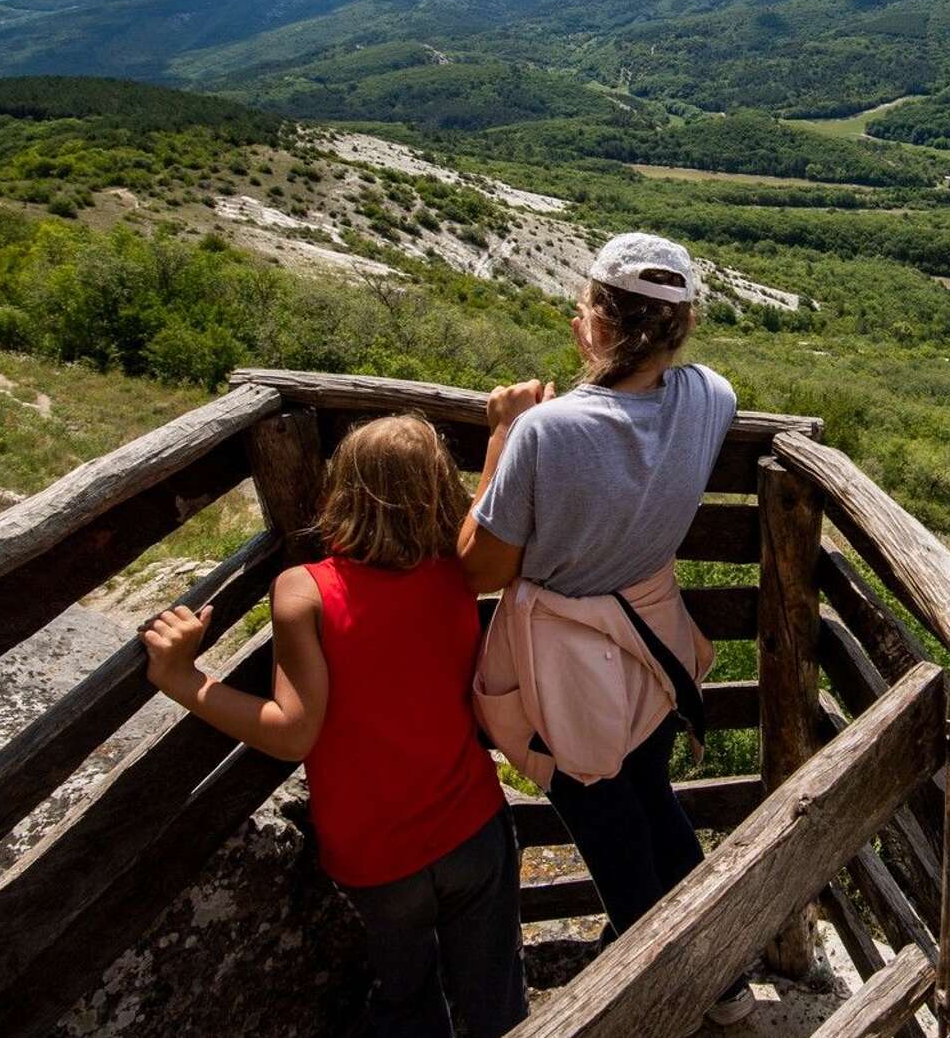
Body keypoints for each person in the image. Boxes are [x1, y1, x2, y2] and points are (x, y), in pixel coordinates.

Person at [143, 415, 525, 1038]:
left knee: (407, 1000)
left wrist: (182, 676)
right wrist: (502, 436)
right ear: (437, 492)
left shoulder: (306, 592)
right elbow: (481, 518)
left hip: (378, 858)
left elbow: (293, 733)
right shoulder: (457, 572)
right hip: (474, 828)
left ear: (341, 488)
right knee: (495, 997)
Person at [458, 232, 754, 1027]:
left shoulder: (545, 432)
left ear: (594, 324)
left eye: (586, 308)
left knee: (608, 826)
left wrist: (498, 434)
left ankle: (651, 990)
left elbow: (480, 568)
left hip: (565, 666)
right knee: (653, 794)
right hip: (652, 644)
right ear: (681, 328)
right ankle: (724, 977)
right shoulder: (710, 398)